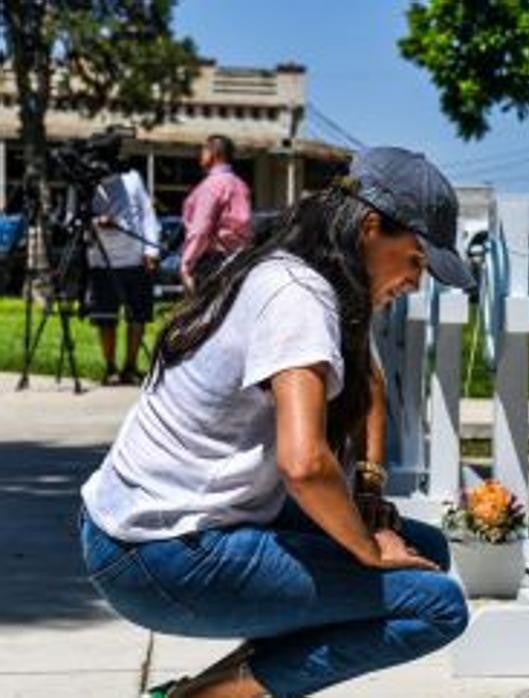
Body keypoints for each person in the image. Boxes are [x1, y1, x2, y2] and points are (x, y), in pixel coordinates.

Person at [79, 147, 477, 698]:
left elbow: (370, 387)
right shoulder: (298, 297)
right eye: (415, 260)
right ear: (369, 227)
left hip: (149, 532)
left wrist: (367, 492)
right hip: (158, 554)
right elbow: (304, 463)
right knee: (435, 607)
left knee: (424, 548)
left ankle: (206, 690)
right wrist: (366, 546)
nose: (417, 281)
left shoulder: (298, 272)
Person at [82, 137, 162, 386]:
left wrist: (151, 251)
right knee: (106, 318)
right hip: (101, 260)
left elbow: (148, 214)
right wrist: (98, 223)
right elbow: (77, 219)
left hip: (135, 257)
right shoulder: (87, 183)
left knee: (137, 316)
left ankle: (131, 365)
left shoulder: (133, 179)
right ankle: (110, 367)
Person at [180, 134, 252, 291]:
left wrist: (187, 263)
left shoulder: (212, 185)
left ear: (214, 153)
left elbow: (200, 229)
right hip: (241, 261)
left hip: (214, 263)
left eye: (203, 150)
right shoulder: (240, 184)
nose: (200, 155)